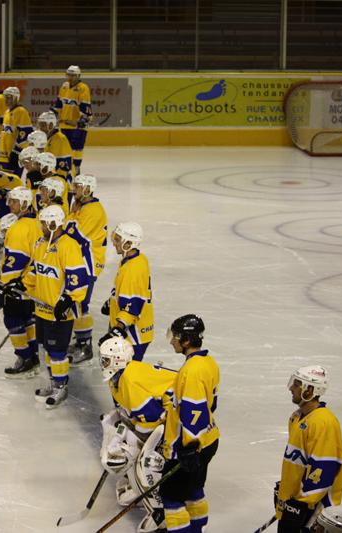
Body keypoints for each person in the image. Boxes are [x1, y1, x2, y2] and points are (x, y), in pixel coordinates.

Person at [4, 205, 89, 408]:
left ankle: (61, 386)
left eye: (43, 222)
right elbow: (35, 270)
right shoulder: (41, 243)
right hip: (42, 308)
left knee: (57, 351)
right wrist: (21, 284)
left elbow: (78, 278)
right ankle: (51, 382)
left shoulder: (69, 246)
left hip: (59, 313)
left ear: (53, 224)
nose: (40, 225)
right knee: (46, 349)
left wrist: (68, 299)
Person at [99, 337, 177, 532]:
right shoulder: (119, 376)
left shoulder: (129, 380)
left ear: (117, 360)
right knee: (133, 452)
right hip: (166, 416)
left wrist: (129, 438)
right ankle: (138, 490)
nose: (103, 364)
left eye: (106, 360)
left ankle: (162, 513)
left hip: (178, 418)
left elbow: (153, 419)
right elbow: (131, 412)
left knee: (145, 463)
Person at [160, 314, 219, 533]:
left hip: (190, 446)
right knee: (194, 490)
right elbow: (210, 405)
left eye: (175, 337)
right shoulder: (207, 362)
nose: (172, 341)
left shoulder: (191, 371)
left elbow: (193, 412)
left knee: (172, 499)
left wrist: (189, 447)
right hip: (209, 439)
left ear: (186, 340)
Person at [275, 366, 342, 533]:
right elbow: (299, 461)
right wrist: (286, 491)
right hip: (295, 505)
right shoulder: (297, 417)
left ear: (310, 390)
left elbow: (324, 470)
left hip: (313, 515)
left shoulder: (324, 423)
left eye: (297, 384)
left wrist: (301, 505)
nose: (292, 388)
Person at [0, 187, 43, 378]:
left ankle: (24, 358)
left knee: (12, 320)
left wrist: (1, 287)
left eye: (13, 201)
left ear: (24, 203)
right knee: (28, 319)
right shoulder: (37, 223)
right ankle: (34, 355)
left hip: (18, 285)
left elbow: (15, 261)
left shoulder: (19, 228)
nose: (9, 204)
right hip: (34, 283)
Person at [64, 174, 107, 364]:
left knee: (81, 305)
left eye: (79, 187)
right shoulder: (82, 206)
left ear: (88, 189)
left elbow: (74, 233)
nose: (75, 190)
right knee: (76, 304)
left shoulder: (93, 210)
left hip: (88, 263)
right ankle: (81, 341)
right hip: (80, 262)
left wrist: (69, 219)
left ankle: (85, 346)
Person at [99, 222, 154, 360]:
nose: (114, 243)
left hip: (134, 337)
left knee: (125, 377)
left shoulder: (133, 270)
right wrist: (112, 302)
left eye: (118, 240)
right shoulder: (135, 259)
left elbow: (133, 306)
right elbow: (127, 289)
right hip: (137, 333)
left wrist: (119, 328)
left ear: (129, 243)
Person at [51, 65, 92, 174]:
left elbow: (85, 106)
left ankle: (76, 169)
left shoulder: (83, 88)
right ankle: (67, 170)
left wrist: (81, 121)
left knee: (76, 149)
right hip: (64, 125)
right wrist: (54, 114)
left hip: (77, 126)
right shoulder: (64, 86)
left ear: (78, 76)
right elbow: (59, 104)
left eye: (73, 75)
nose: (70, 77)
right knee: (65, 149)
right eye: (69, 75)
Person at [0, 86, 33, 176]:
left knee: (12, 183)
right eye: (5, 97)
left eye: (9, 97)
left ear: (16, 98)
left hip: (13, 155)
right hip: (3, 155)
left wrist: (17, 151)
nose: (6, 100)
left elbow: (26, 133)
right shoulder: (7, 112)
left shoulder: (21, 111)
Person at [36, 111, 73, 183]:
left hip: (59, 181)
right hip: (50, 177)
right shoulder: (48, 137)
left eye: (43, 125)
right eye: (39, 125)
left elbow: (62, 165)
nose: (40, 128)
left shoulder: (60, 139)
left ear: (51, 125)